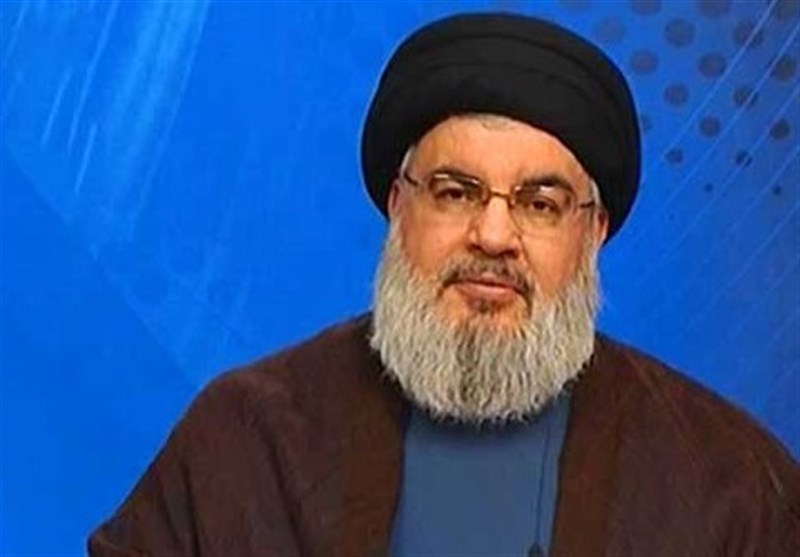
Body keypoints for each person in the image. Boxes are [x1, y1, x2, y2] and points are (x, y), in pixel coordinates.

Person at [89, 12, 799, 557]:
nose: (492, 235)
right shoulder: (247, 437)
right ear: (399, 206)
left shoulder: (727, 480)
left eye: (539, 204)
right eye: (456, 193)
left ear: (593, 231)